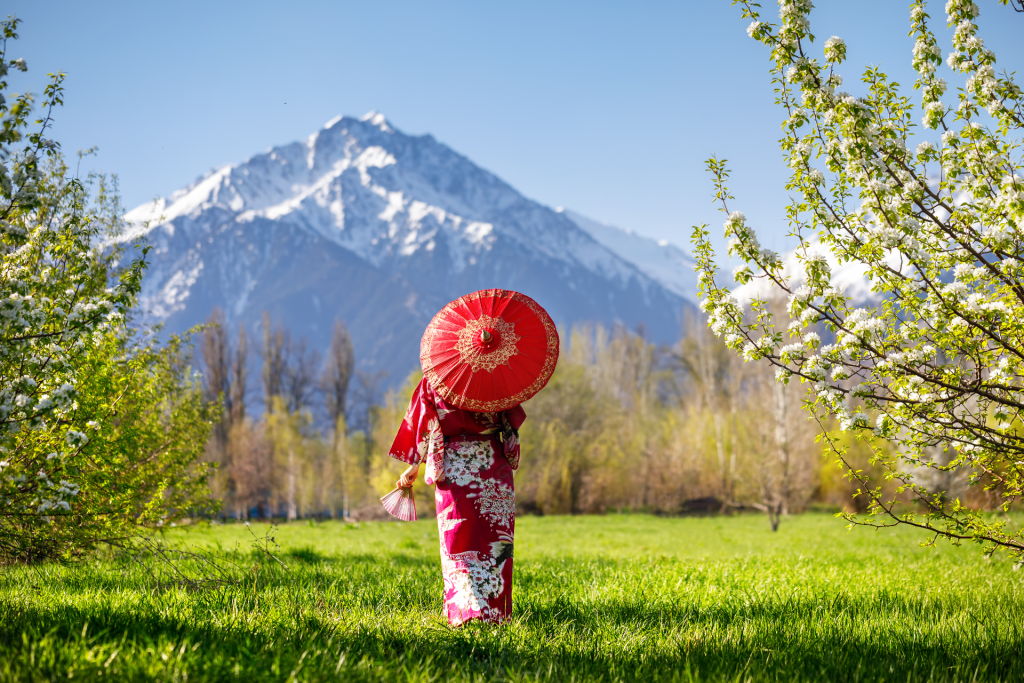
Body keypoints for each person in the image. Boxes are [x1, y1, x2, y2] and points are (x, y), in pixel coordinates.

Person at [388, 375, 525, 626]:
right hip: (493, 465)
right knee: (495, 543)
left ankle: (463, 613)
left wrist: (414, 466)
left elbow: (424, 425)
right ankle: (495, 615)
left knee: (457, 539)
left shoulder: (435, 378)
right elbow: (512, 420)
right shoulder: (498, 377)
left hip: (455, 467)